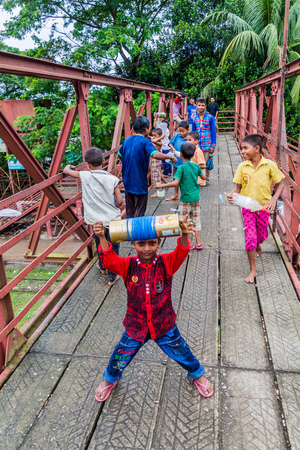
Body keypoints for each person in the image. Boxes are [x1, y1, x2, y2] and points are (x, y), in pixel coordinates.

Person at [93, 214, 214, 402]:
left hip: (163, 323)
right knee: (120, 354)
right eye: (141, 244)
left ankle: (196, 373)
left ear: (159, 243)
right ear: (133, 245)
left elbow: (181, 252)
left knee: (181, 351)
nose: (147, 248)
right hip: (136, 325)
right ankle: (110, 378)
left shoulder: (166, 263)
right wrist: (102, 237)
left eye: (152, 243)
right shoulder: (128, 266)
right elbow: (109, 261)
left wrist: (183, 234)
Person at [227, 134, 285, 284]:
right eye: (242, 148)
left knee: (260, 236)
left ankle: (258, 244)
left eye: (246, 148)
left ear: (257, 148)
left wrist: (274, 198)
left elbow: (282, 183)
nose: (243, 151)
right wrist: (232, 195)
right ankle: (253, 270)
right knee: (250, 238)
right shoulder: (242, 166)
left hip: (263, 207)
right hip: (247, 207)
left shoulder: (270, 165)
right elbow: (238, 187)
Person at [63, 147, 123, 286]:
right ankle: (112, 277)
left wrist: (69, 166)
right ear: (103, 161)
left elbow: (67, 171)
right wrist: (116, 207)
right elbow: (119, 201)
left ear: (88, 164)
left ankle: (102, 267)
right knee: (114, 248)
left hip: (96, 222)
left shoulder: (85, 175)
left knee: (100, 245)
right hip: (113, 220)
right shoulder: (112, 179)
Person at [118, 115, 176, 218]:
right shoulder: (145, 141)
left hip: (127, 180)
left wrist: (128, 164)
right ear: (146, 129)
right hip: (139, 181)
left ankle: (129, 231)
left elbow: (120, 155)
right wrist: (169, 156)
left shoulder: (126, 141)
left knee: (129, 210)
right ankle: (137, 232)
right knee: (139, 211)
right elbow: (154, 154)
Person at [157, 142, 206, 250]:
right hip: (196, 198)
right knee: (196, 219)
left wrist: (161, 185)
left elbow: (175, 183)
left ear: (181, 155)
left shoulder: (181, 168)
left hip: (185, 199)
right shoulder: (195, 165)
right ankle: (198, 242)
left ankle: (190, 243)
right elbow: (203, 177)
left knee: (185, 221)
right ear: (193, 155)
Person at [193, 97, 217, 186]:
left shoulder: (210, 117)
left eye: (203, 105)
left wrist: (213, 145)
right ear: (196, 106)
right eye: (199, 105)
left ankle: (206, 179)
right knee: (197, 162)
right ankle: (198, 179)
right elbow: (193, 132)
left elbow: (213, 132)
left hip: (207, 144)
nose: (201, 107)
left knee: (206, 163)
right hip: (197, 145)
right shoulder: (194, 118)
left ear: (205, 106)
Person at [166, 121, 189, 201]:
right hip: (176, 161)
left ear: (188, 130)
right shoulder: (177, 136)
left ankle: (184, 195)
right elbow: (170, 143)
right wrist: (172, 147)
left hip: (185, 162)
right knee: (175, 178)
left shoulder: (189, 139)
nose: (181, 133)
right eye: (180, 131)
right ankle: (176, 194)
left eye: (183, 131)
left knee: (185, 179)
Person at [150, 128, 164, 198]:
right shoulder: (156, 141)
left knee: (156, 176)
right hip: (154, 160)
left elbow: (154, 141)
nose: (154, 137)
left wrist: (159, 138)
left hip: (156, 160)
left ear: (160, 135)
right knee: (155, 175)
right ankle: (158, 191)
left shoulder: (159, 143)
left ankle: (159, 191)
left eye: (155, 135)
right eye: (153, 135)